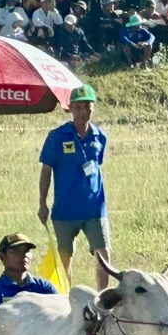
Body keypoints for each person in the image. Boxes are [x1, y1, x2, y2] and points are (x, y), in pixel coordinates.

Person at [38, 84, 112, 289]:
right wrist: (42, 203)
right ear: (70, 108)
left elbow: (97, 166)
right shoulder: (57, 136)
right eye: (78, 107)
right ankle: (66, 297)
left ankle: (101, 297)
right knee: (65, 256)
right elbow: (46, 171)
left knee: (103, 254)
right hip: (65, 210)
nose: (83, 112)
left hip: (94, 208)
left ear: (93, 108)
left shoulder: (100, 136)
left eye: (87, 107)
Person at [0, 233, 59, 325]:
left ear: (32, 257)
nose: (23, 255)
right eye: (15, 251)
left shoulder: (45, 288)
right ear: (2, 257)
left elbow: (58, 319)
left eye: (26, 251)